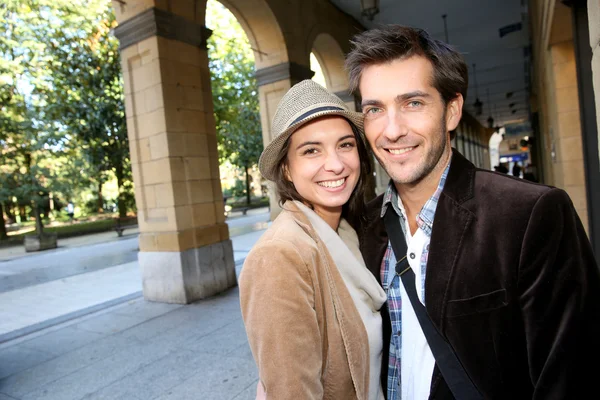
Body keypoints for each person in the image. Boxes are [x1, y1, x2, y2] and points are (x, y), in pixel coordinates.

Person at [345, 25, 600, 399]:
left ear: (452, 112)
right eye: (375, 109)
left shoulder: (529, 215)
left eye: (413, 103)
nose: (392, 130)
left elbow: (571, 376)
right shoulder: (361, 227)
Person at [239, 79, 386, 400]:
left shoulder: (347, 234)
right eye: (311, 150)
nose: (335, 165)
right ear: (287, 170)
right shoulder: (279, 256)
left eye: (345, 145)